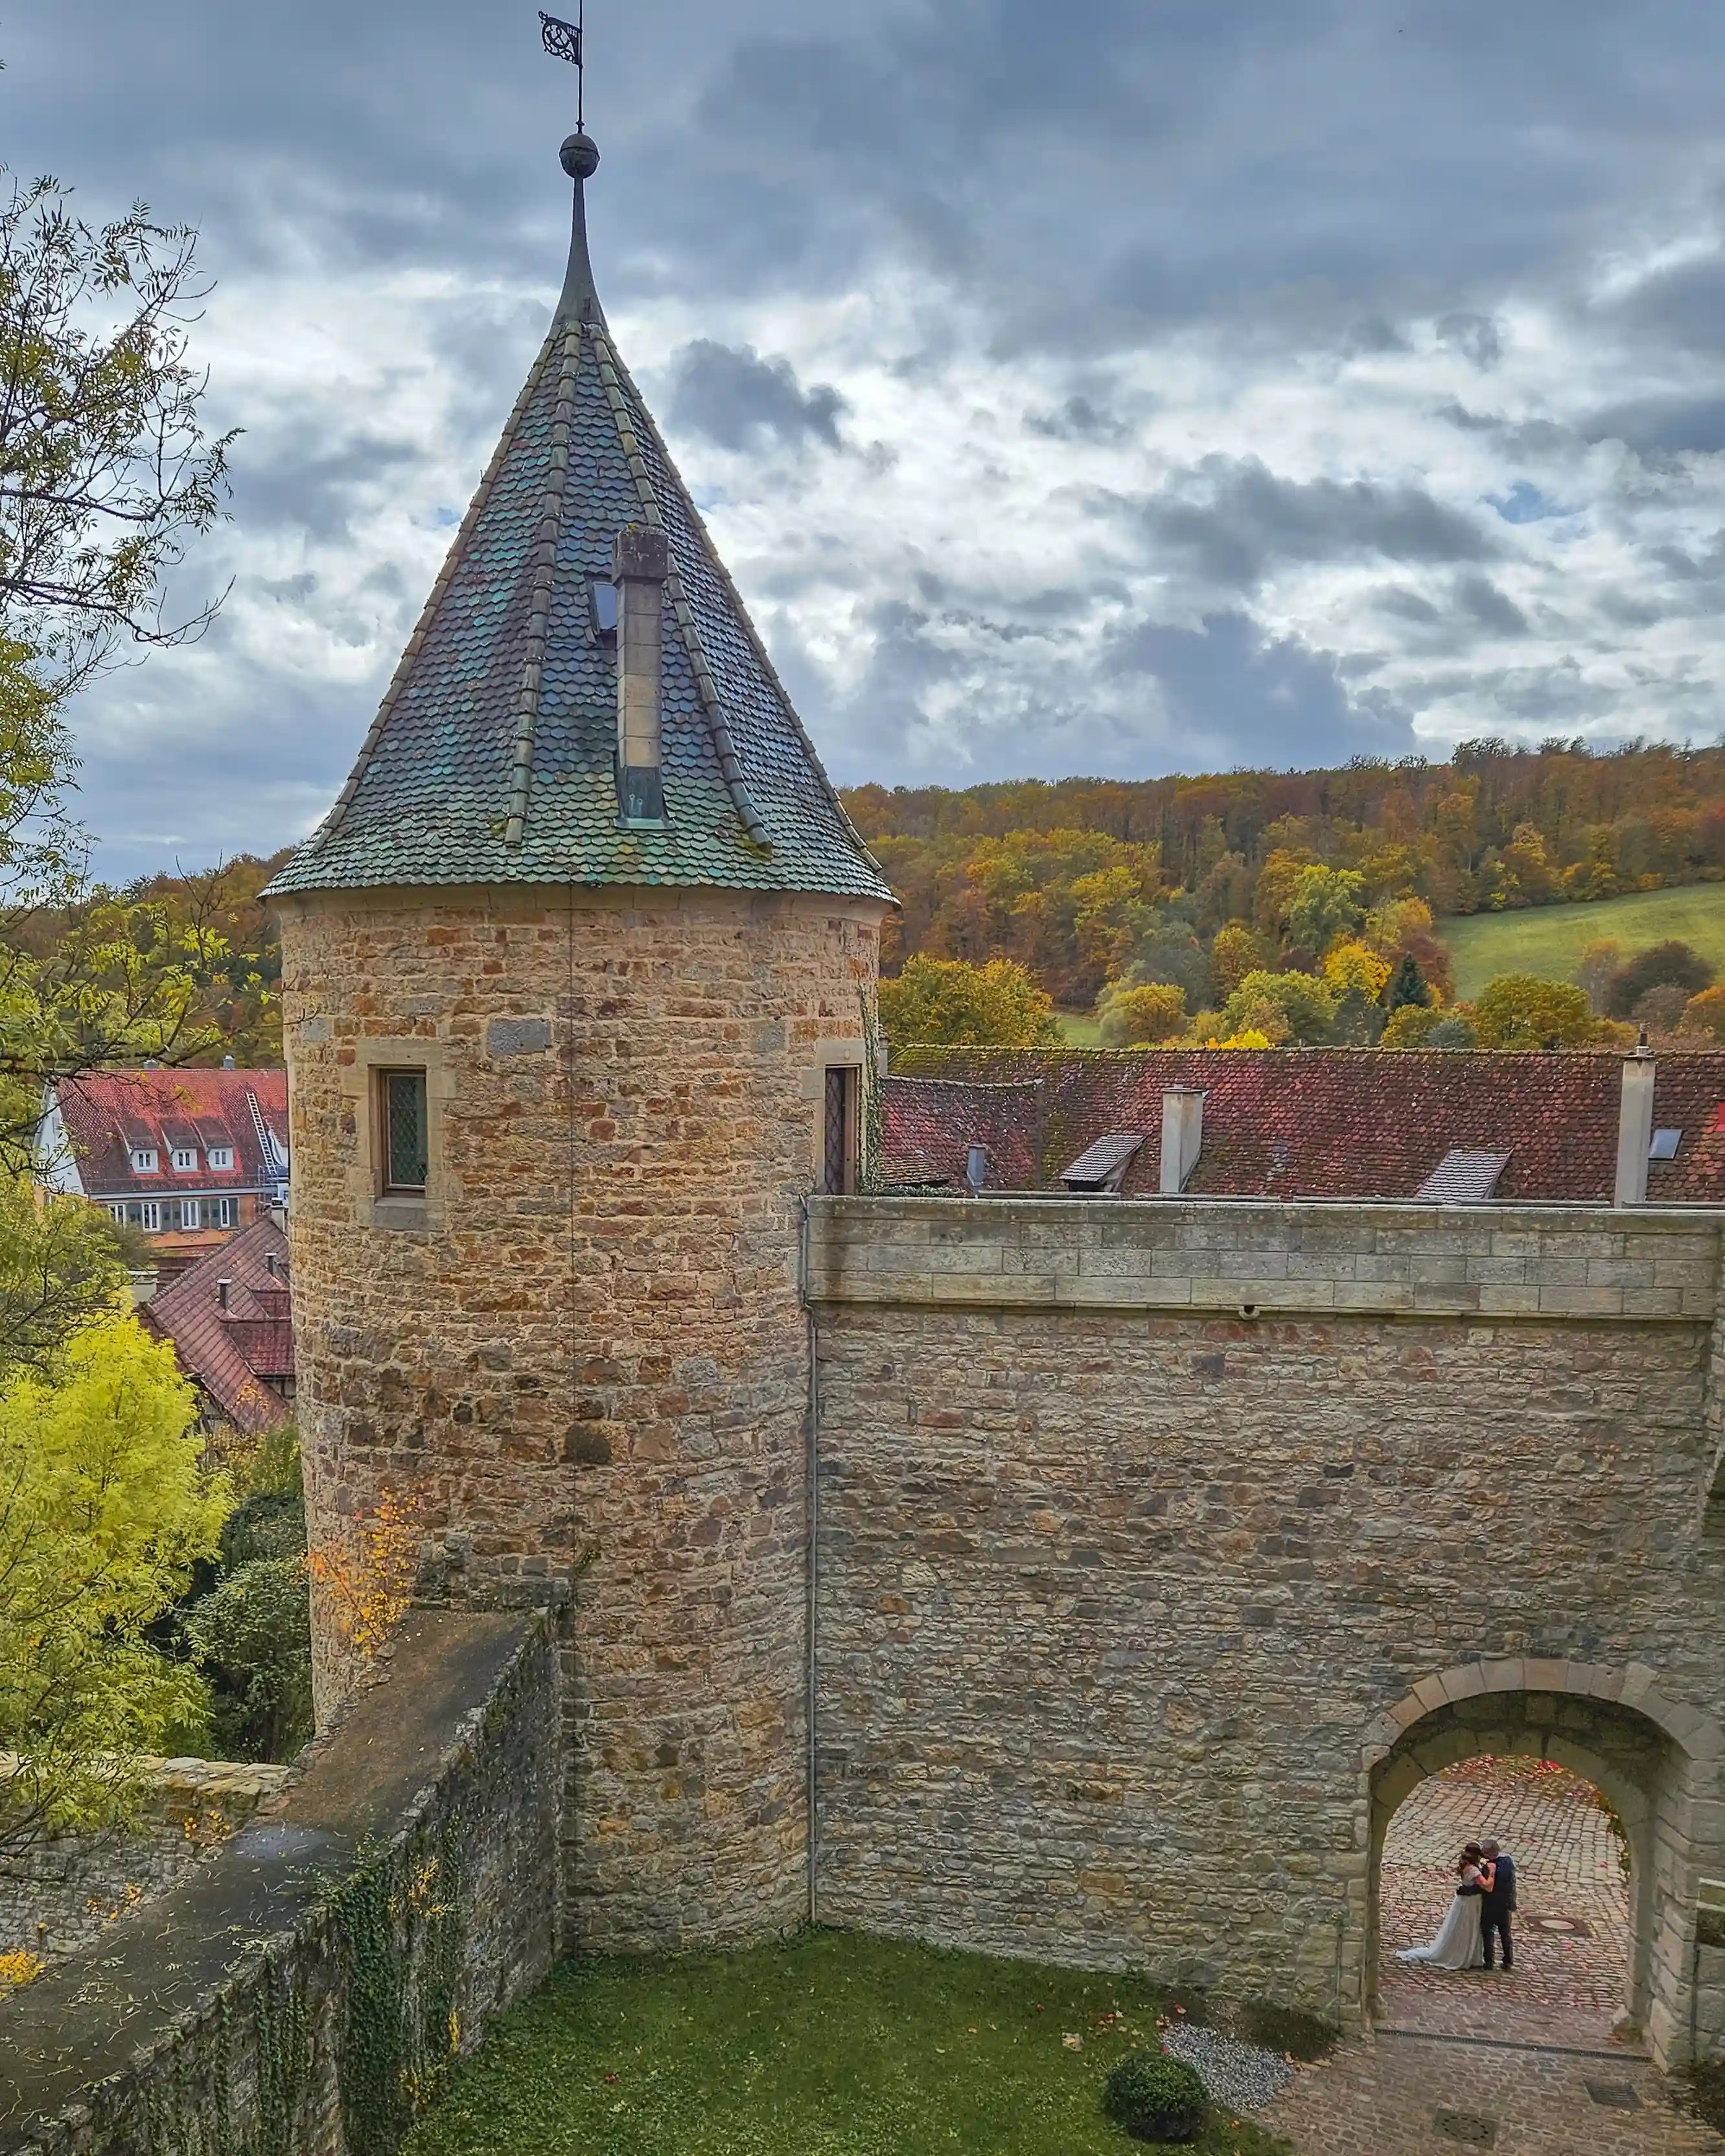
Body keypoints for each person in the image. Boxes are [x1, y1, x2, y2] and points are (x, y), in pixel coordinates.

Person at [1396, 1844, 1488, 1971]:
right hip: (1470, 1903)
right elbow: (1485, 1885)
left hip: (1471, 1901)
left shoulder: (1469, 1866)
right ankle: (1461, 1955)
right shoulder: (1472, 1869)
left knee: (1470, 1928)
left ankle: (1471, 1956)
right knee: (1466, 1927)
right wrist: (1493, 1875)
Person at [1479, 1837, 1516, 1971]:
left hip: (1490, 1905)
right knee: (1505, 1933)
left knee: (1488, 1933)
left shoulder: (1489, 1868)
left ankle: (1489, 1961)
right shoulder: (1508, 1863)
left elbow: (1485, 1886)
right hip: (1505, 1904)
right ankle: (1508, 1960)